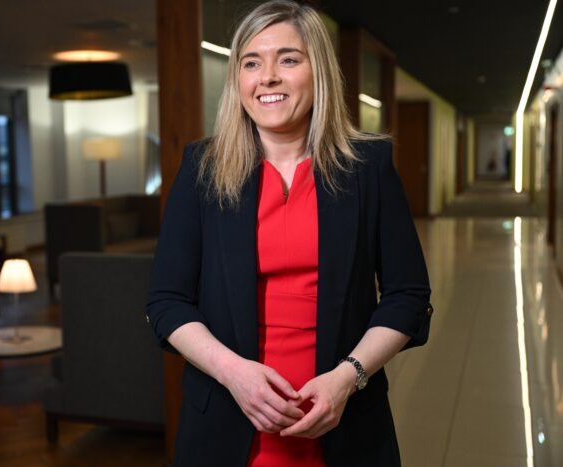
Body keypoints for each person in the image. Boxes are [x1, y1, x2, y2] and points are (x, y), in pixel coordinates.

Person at [147, 1, 433, 466]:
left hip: (344, 425)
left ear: (318, 72)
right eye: (251, 63)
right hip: (225, 425)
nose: (268, 77)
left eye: (288, 59)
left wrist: (347, 378)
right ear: (238, 79)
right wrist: (234, 374)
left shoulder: (369, 168)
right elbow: (166, 301)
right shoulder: (203, 169)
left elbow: (408, 295)